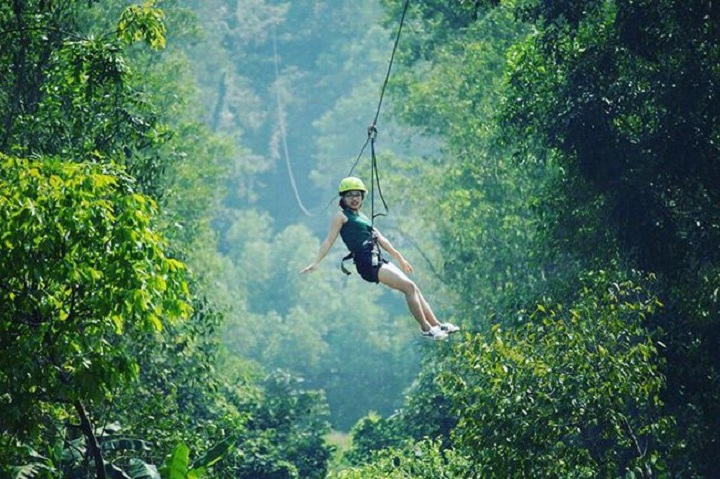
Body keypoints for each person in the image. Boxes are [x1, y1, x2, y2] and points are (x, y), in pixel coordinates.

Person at [300, 176, 459, 340]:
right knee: (409, 288)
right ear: (343, 198)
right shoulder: (341, 217)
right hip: (366, 262)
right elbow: (329, 240)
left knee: (414, 288)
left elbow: (381, 239)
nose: (354, 199)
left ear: (362, 197)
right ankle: (426, 328)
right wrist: (317, 261)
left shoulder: (363, 217)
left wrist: (399, 257)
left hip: (376, 258)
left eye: (357, 195)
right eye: (349, 195)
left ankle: (437, 325)